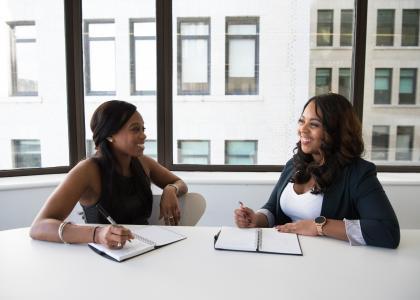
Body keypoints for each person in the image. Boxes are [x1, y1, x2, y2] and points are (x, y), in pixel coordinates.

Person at [234, 93, 400, 249]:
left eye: (313, 124)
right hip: (288, 255)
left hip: (328, 264)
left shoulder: (359, 173)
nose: (303, 130)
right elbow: (273, 209)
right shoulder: (294, 164)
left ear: (336, 131)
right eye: (302, 121)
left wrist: (319, 226)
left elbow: (387, 231)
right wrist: (257, 219)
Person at [30, 100, 188, 249]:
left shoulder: (142, 162)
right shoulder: (87, 170)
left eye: (143, 129)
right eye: (135, 129)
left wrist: (170, 189)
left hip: (143, 250)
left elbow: (179, 183)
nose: (144, 135)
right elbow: (39, 226)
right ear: (110, 135)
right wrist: (97, 234)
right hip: (104, 256)